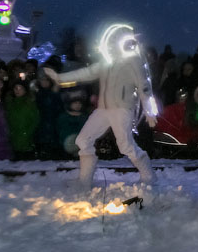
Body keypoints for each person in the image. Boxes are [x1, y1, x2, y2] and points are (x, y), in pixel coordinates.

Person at [43, 24, 159, 190]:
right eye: (111, 40)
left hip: (122, 109)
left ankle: (149, 176)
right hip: (103, 109)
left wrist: (149, 111)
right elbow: (86, 73)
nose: (111, 43)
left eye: (115, 39)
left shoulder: (133, 60)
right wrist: (59, 78)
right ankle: (84, 181)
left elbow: (144, 86)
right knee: (83, 140)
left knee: (125, 146)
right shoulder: (106, 62)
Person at [5, 80, 39, 160]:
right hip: (13, 140)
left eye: (20, 88)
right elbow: (7, 119)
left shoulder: (30, 103)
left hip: (27, 140)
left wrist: (28, 133)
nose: (17, 90)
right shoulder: (10, 103)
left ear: (25, 90)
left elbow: (35, 120)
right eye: (16, 88)